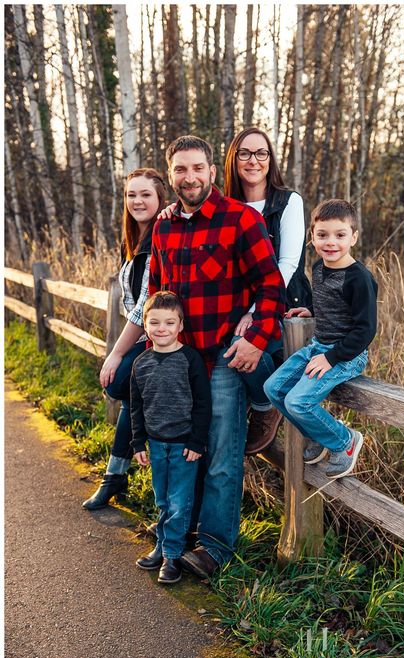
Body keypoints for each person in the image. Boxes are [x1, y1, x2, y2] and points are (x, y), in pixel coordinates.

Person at [149, 135, 285, 578]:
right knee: (182, 451)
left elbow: (271, 286)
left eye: (197, 168)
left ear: (211, 170)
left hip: (226, 357)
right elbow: (157, 294)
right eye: (180, 170)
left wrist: (256, 340)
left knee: (223, 456)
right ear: (170, 174)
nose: (189, 178)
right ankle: (178, 532)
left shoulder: (240, 219)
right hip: (181, 362)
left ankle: (215, 547)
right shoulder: (163, 226)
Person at [264, 199, 378, 479]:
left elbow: (365, 330)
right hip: (318, 346)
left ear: (353, 237)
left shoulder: (358, 279)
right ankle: (317, 436)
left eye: (340, 235)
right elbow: (330, 303)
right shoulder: (318, 268)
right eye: (322, 235)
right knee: (273, 388)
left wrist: (331, 358)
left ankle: (344, 441)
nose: (331, 242)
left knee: (298, 402)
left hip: (346, 354)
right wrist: (310, 310)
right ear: (312, 236)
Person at [223, 127, 313, 454]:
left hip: (283, 303)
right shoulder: (225, 206)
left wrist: (253, 313)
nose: (253, 160)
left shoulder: (287, 202)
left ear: (270, 159)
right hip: (238, 304)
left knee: (240, 341)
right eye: (245, 153)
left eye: (261, 153)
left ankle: (265, 405)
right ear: (234, 159)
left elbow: (287, 263)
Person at [82, 168, 166, 510]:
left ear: (161, 198)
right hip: (143, 337)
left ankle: (117, 477)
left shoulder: (161, 237)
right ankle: (114, 476)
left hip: (160, 337)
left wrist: (115, 353)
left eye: (145, 194)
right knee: (132, 396)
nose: (137, 201)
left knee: (119, 384)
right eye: (132, 194)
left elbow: (146, 303)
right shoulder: (131, 241)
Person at [130, 291, 211, 584]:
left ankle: (172, 556)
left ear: (180, 326)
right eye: (154, 322)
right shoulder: (141, 363)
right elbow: (136, 407)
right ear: (146, 326)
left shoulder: (190, 360)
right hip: (155, 442)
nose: (161, 328)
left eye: (169, 322)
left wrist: (196, 441)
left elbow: (204, 403)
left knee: (179, 503)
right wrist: (138, 443)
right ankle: (162, 546)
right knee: (162, 500)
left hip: (183, 445)